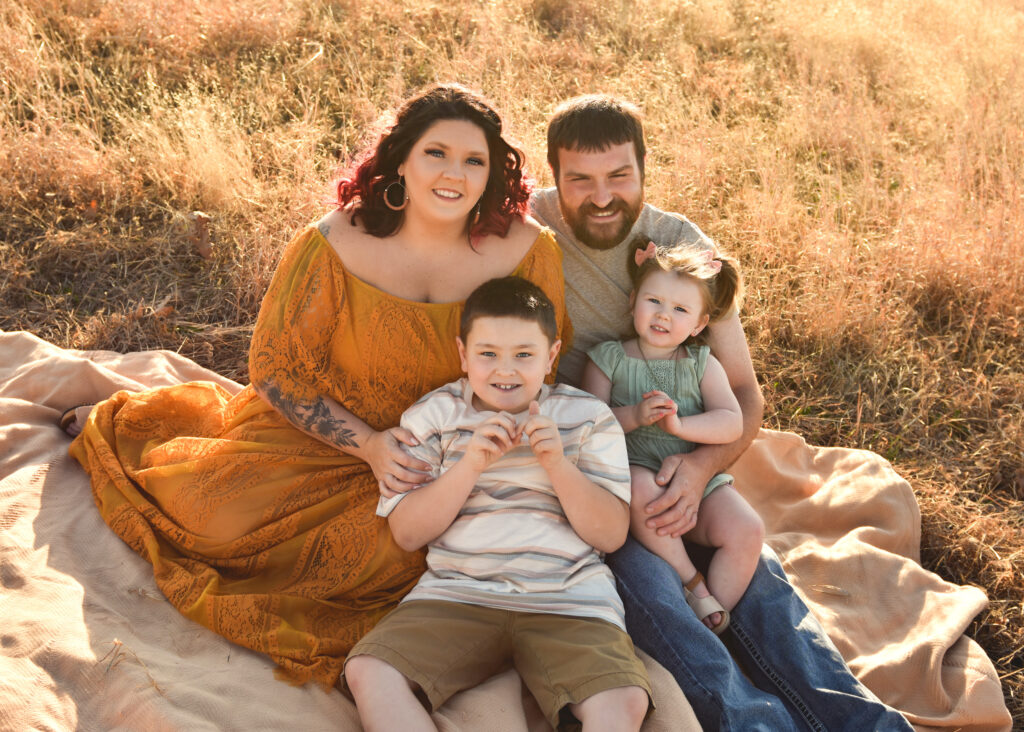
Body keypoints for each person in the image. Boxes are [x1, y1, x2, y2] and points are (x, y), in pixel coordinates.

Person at [65, 83, 569, 688]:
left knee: (393, 557)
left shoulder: (528, 251)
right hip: (329, 437)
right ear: (400, 160)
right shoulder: (335, 242)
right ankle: (132, 429)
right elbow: (276, 371)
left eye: (474, 160)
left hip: (446, 456)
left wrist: (459, 455)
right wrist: (371, 446)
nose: (453, 175)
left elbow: (541, 368)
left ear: (493, 174)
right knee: (214, 521)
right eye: (436, 153)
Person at [531, 94, 914, 731]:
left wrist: (695, 470)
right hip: (604, 482)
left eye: (619, 176)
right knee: (667, 610)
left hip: (692, 468)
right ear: (554, 178)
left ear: (645, 168)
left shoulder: (680, 244)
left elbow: (743, 395)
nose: (601, 196)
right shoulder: (528, 234)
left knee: (766, 599)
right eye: (580, 180)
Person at [345, 276, 651, 732]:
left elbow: (609, 534)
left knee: (624, 698)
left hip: (568, 599)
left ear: (551, 356)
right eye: (487, 354)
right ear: (463, 355)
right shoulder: (436, 415)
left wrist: (559, 466)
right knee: (369, 669)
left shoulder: (587, 417)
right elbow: (408, 534)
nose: (505, 371)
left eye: (524, 355)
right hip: (457, 593)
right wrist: (468, 466)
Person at [582, 240, 764, 635]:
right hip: (635, 476)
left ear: (699, 324)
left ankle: (712, 615)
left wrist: (681, 427)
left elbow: (732, 422)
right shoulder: (608, 358)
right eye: (655, 301)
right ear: (633, 302)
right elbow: (588, 427)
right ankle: (691, 580)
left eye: (680, 309)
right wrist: (633, 415)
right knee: (640, 484)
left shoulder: (701, 363)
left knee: (748, 530)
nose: (664, 315)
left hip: (698, 480)